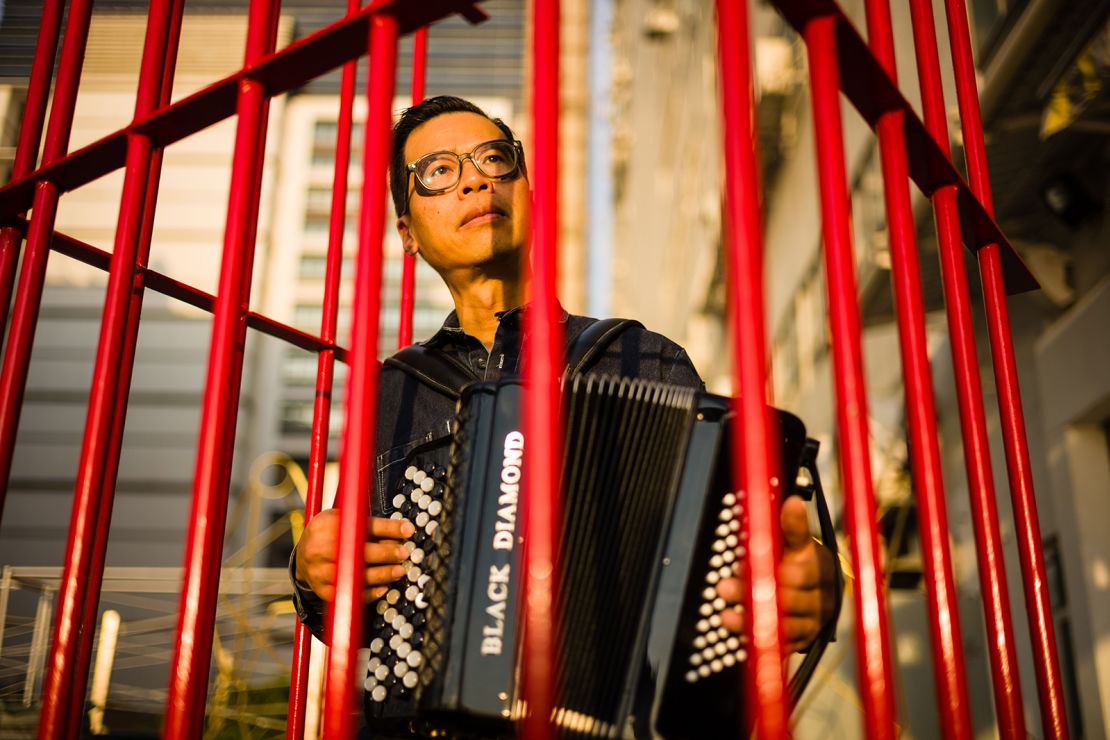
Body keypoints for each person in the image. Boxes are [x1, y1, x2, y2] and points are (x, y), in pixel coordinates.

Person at [291, 96, 837, 731]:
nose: (475, 178)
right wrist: (313, 575)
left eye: (495, 159)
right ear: (407, 231)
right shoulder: (395, 392)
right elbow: (353, 617)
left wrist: (812, 581)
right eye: (437, 170)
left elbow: (741, 557)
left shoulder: (641, 356)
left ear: (527, 191)